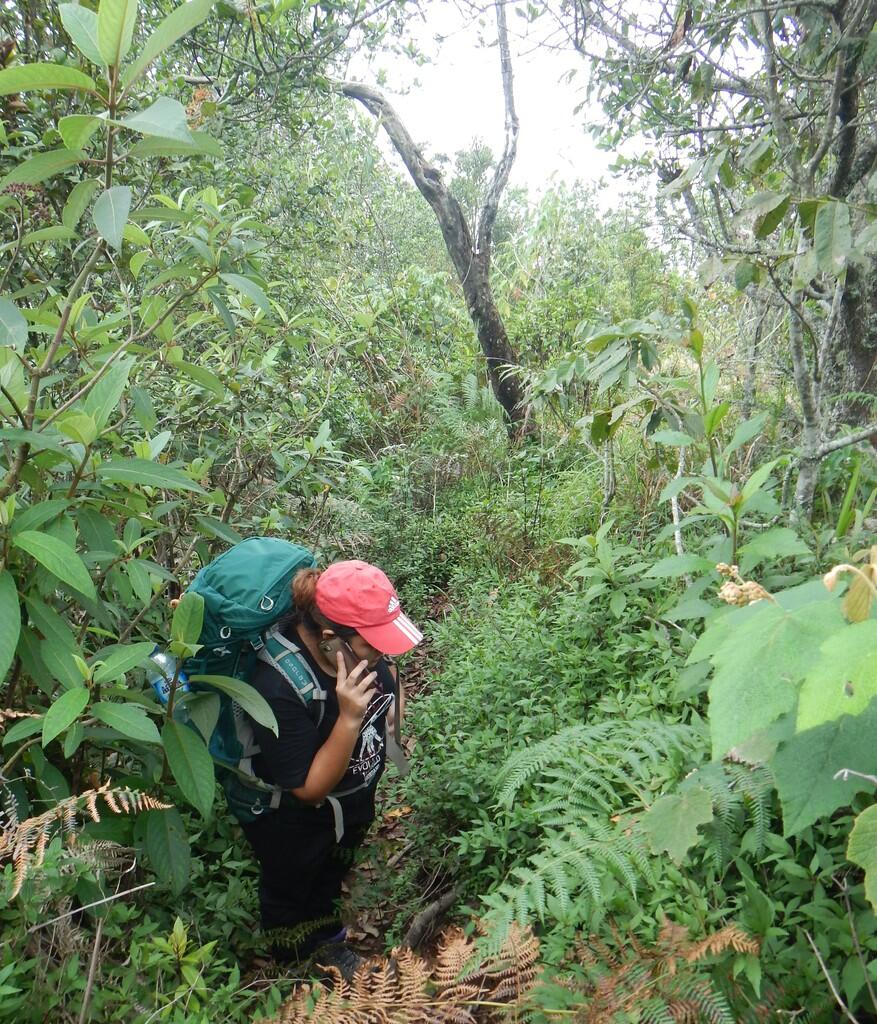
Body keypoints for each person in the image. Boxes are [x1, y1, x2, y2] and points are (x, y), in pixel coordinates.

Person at [240, 559, 423, 977]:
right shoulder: (277, 686)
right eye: (372, 646)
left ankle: (327, 936)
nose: (380, 657)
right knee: (291, 884)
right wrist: (348, 718)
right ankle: (292, 960)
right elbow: (308, 789)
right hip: (294, 821)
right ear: (329, 639)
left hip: (353, 800)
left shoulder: (359, 658)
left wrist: (386, 693)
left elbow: (389, 695)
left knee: (331, 870)